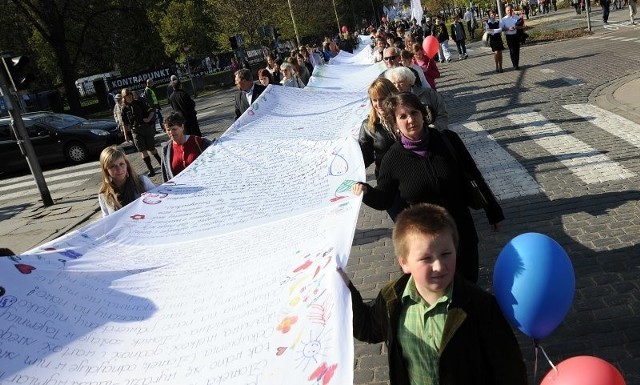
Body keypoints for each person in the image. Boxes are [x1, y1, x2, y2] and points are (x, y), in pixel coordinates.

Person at [341, 203, 527, 385]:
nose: (439, 266)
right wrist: (345, 287)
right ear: (404, 263)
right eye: (426, 258)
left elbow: (508, 370)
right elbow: (369, 328)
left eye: (446, 254)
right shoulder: (391, 299)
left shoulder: (480, 306)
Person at [351, 92, 502, 283]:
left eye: (414, 113)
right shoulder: (392, 159)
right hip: (425, 243)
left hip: (461, 232)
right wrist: (366, 192)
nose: (410, 120)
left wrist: (493, 210)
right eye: (402, 116)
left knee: (468, 288)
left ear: (423, 114)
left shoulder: (448, 140)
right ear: (394, 123)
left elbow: (474, 175)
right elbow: (385, 199)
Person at [384, 67, 449, 132]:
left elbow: (442, 114)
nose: (397, 86)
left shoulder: (429, 94)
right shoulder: (391, 101)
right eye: (394, 83)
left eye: (401, 82)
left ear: (409, 81)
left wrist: (431, 129)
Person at [98, 146, 155, 217]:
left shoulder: (142, 182)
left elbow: (159, 203)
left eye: (121, 164)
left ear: (127, 165)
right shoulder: (104, 195)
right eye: (112, 166)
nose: (119, 169)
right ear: (106, 170)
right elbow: (107, 221)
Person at [358, 78, 398, 177]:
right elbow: (365, 158)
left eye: (382, 99)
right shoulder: (367, 126)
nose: (379, 104)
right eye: (375, 100)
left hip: (412, 171)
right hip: (387, 177)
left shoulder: (405, 116)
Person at [120, 88, 162, 177]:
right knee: (143, 151)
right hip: (135, 130)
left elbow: (151, 111)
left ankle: (162, 165)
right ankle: (151, 170)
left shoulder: (139, 103)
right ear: (124, 97)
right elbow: (125, 123)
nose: (130, 97)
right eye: (127, 96)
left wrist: (148, 119)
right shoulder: (124, 108)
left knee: (152, 149)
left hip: (145, 128)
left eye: (130, 95)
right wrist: (126, 134)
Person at [160, 112, 213, 182]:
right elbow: (165, 176)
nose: (171, 132)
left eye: (174, 129)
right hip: (181, 189)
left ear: (182, 127)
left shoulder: (199, 142)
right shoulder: (166, 149)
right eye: (168, 130)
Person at [502, 5, 523, 70]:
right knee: (512, 50)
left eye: (510, 10)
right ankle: (514, 64)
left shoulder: (516, 17)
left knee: (517, 50)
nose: (509, 11)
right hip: (509, 36)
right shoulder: (503, 19)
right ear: (506, 11)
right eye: (508, 10)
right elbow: (502, 28)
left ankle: (516, 64)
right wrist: (508, 28)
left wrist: (516, 27)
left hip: (516, 35)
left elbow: (521, 26)